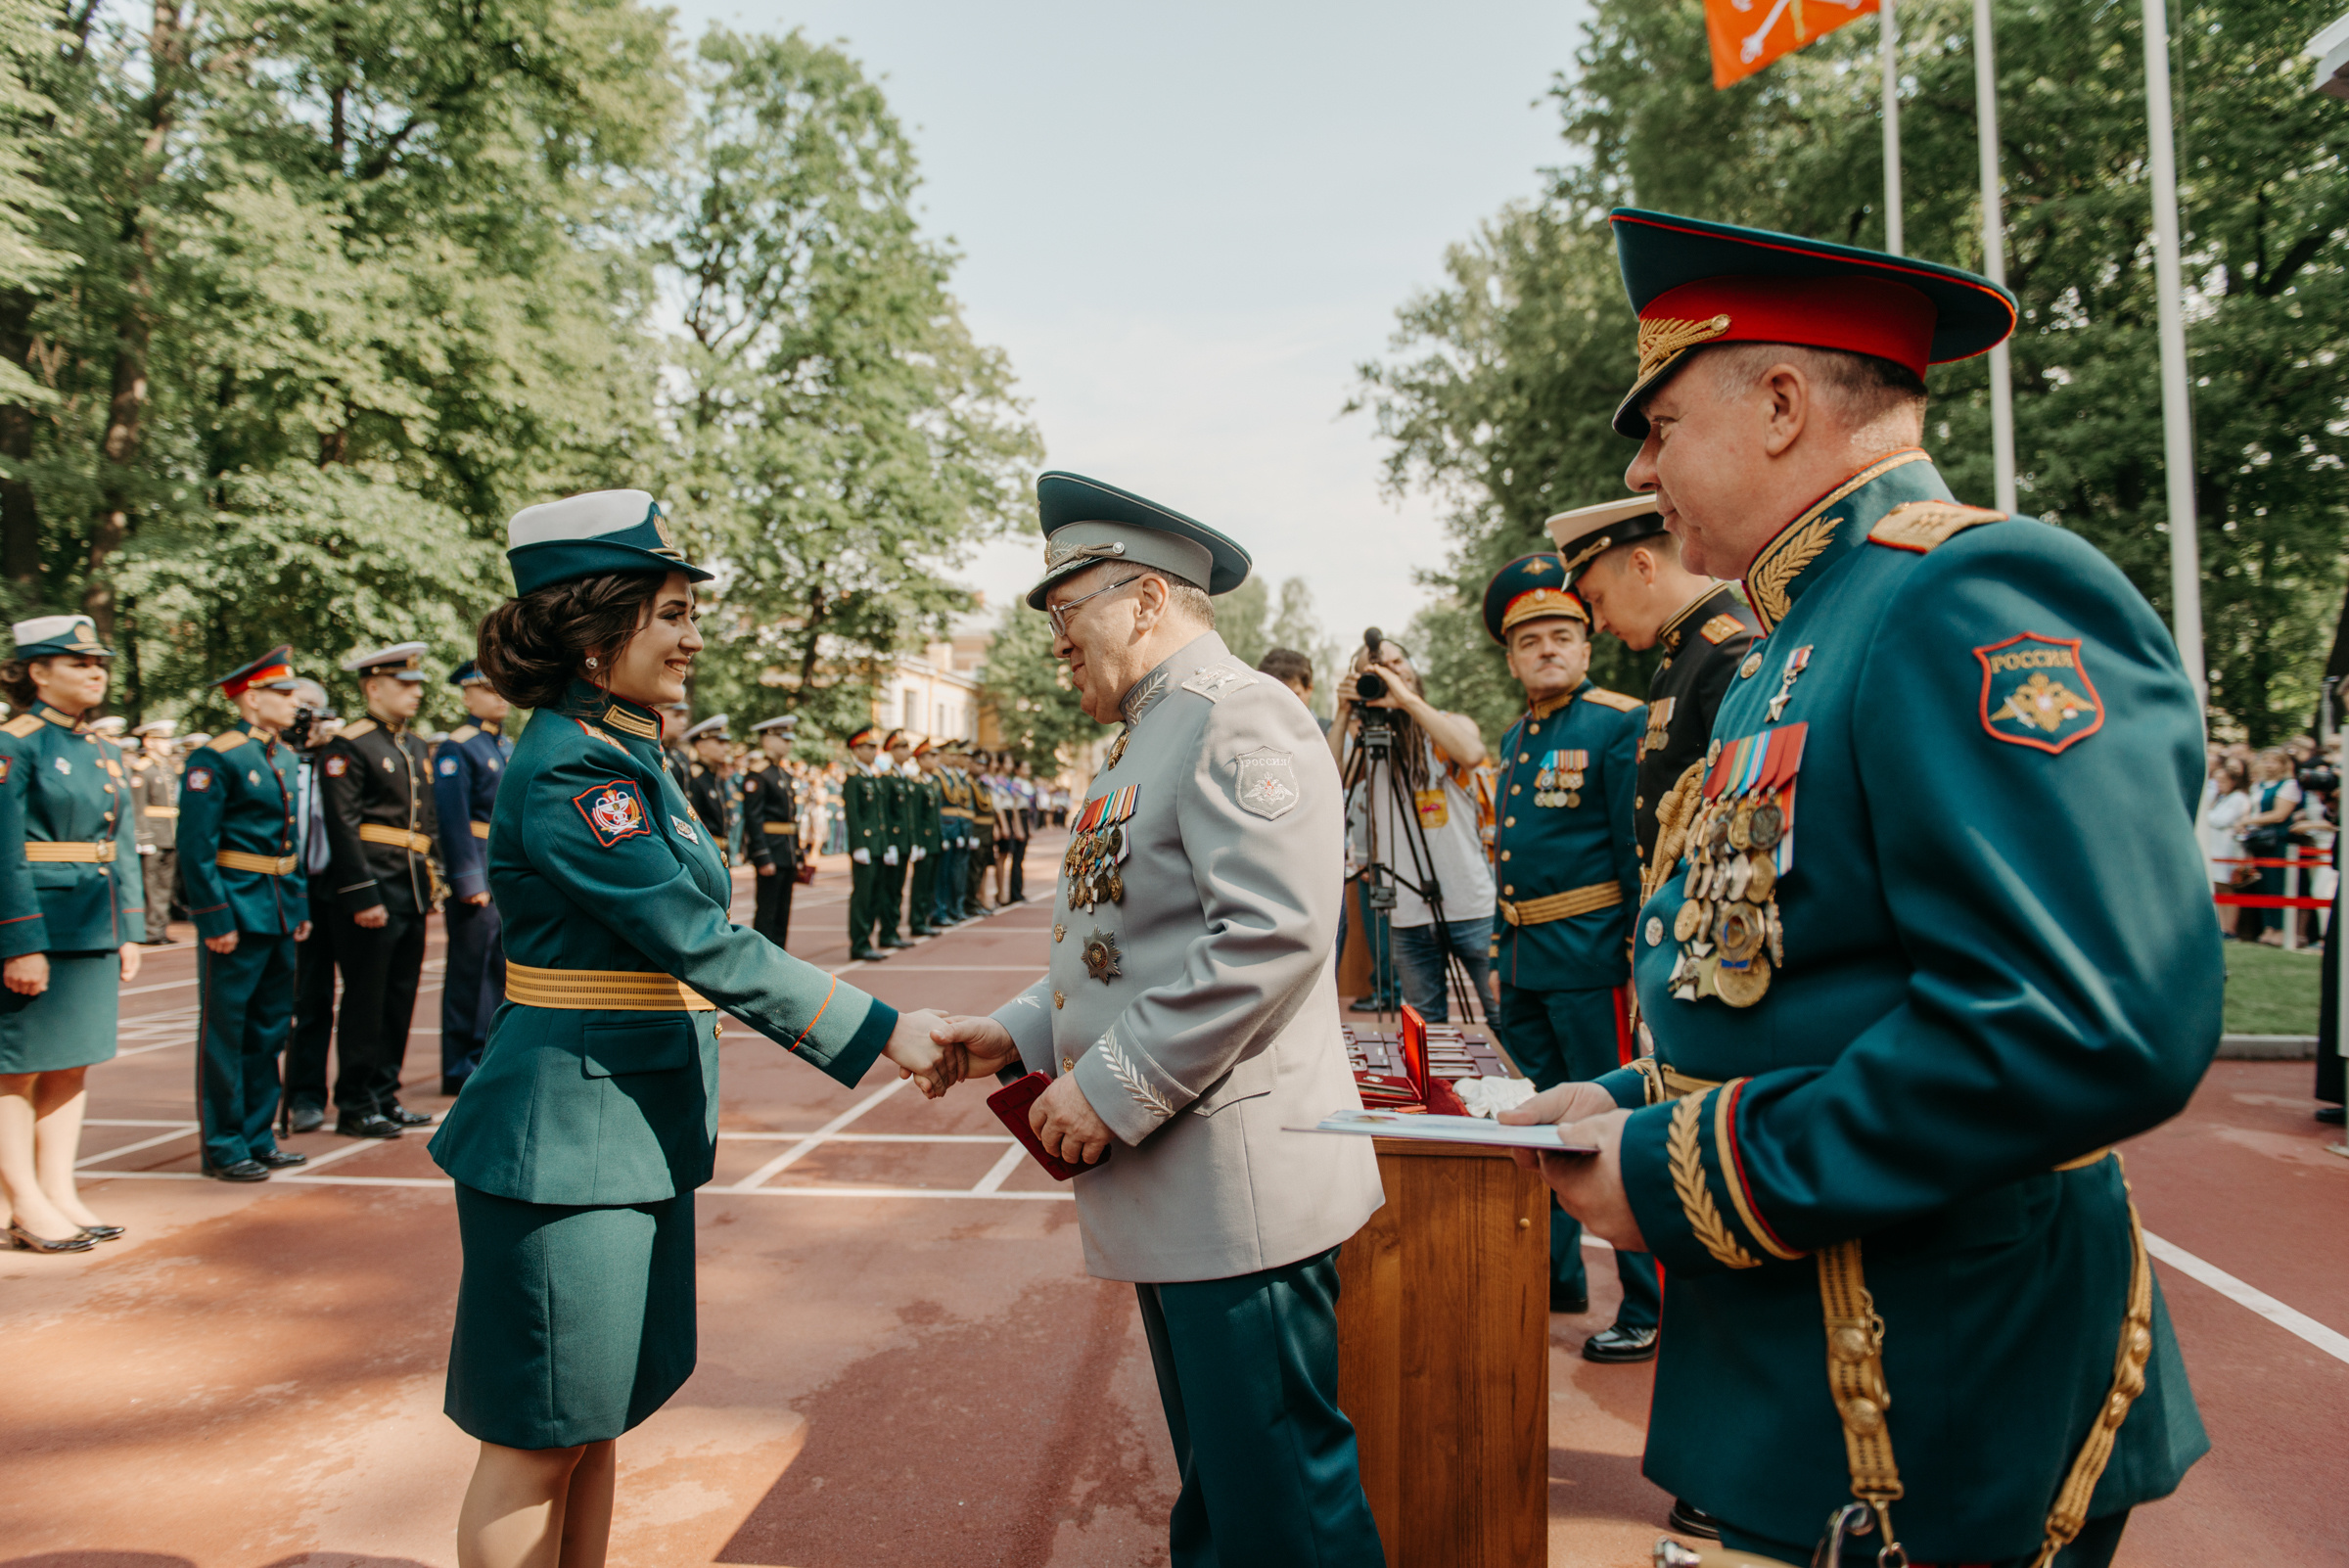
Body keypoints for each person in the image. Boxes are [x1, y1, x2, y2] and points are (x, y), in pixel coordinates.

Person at [1500, 208, 2216, 1568]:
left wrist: (1689, 1162)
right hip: (1834, 1371)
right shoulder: (1800, 635)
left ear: (1778, 404)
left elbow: (2088, 1019)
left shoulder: (1968, 590)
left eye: (1657, 426)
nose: (1647, 472)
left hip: (1945, 1392)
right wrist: (1636, 1096)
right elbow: (1823, 974)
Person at [425, 487, 956, 1568]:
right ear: (589, 630)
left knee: (593, 1419)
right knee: (539, 1439)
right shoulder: (577, 766)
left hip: (625, 1122)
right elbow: (695, 938)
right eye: (668, 612)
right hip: (566, 1135)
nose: (692, 635)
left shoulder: (624, 750)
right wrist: (881, 1029)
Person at [934, 470, 1386, 1568]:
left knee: (1283, 1507)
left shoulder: (1241, 716)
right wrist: (1017, 1036)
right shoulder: (1148, 734)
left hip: (1237, 1187)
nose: (1051, 638)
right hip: (1188, 1182)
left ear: (1144, 600)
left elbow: (1273, 937)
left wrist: (1107, 1083)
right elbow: (1123, 941)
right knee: (1227, 1498)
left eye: (1064, 606)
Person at [1473, 560, 1656, 1354]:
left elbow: (1637, 855)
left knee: (1605, 1126)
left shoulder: (1619, 723)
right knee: (1538, 1130)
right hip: (1524, 963)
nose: (1547, 651)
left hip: (1589, 965)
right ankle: (1558, 1277)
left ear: (1587, 647)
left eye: (1561, 636)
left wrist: (1638, 962)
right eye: (1529, 641)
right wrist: (1496, 948)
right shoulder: (1517, 738)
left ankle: (1645, 1308)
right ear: (1511, 659)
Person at [0, 615, 145, 1250]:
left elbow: (123, 845)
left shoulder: (104, 750)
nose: (96, 673)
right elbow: (4, 851)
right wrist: (19, 940)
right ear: (37, 671)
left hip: (92, 921)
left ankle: (58, 1189)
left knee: (72, 1062)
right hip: (40, 925)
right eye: (79, 662)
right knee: (16, 1068)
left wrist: (132, 927)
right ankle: (24, 1200)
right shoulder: (16, 743)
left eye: (100, 663)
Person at [175, 646, 314, 1182]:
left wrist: (297, 902)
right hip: (236, 909)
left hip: (277, 910)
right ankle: (225, 1142)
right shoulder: (218, 757)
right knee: (226, 1034)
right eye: (283, 694)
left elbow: (290, 838)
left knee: (269, 1029)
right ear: (251, 697)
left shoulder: (280, 756)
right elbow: (196, 847)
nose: (294, 702)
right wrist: (214, 917)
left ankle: (259, 1135)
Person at [1329, 640, 1495, 1024]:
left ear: (1413, 668)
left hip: (1471, 904)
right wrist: (1341, 715)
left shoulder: (1451, 724)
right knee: (1426, 1030)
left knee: (1503, 1018)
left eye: (1396, 662)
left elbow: (1470, 753)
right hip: (1406, 916)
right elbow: (1325, 781)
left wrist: (1405, 701)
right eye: (1375, 669)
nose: (1389, 672)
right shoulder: (1366, 744)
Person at [317, 642, 439, 1138]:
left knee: (399, 997)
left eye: (417, 685)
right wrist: (361, 893)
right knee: (366, 999)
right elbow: (342, 827)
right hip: (373, 885)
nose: (415, 694)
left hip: (409, 885)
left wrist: (435, 878)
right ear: (373, 687)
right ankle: (353, 1100)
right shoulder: (350, 745)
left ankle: (385, 1093)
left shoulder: (414, 746)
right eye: (403, 685)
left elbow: (425, 821)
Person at [435, 660, 513, 1094]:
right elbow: (452, 819)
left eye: (501, 685)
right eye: (486, 688)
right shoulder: (457, 747)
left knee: (503, 967)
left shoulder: (507, 747)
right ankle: (460, 1062)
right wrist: (468, 879)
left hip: (504, 867)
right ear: (466, 696)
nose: (498, 694)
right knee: (471, 971)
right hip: (479, 867)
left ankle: (491, 1054)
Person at [741, 715, 800, 949]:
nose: (789, 743)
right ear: (768, 739)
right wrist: (762, 854)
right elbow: (754, 818)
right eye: (783, 738)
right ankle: (761, 959)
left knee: (783, 911)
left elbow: (791, 819)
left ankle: (780, 956)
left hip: (786, 851)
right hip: (771, 851)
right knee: (767, 910)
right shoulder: (759, 773)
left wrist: (798, 853)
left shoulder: (782, 773)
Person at [2236, 748, 2302, 945]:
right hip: (2259, 841)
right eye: (2266, 761)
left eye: (2274, 761)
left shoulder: (2288, 785)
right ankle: (2268, 927)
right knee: (2263, 885)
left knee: (2277, 885)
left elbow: (2280, 814)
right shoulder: (2260, 786)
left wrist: (2249, 821)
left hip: (2277, 841)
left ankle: (2281, 929)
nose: (2269, 765)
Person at [841, 726, 891, 962]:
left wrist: (887, 844)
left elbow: (881, 815)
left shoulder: (873, 776)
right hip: (865, 846)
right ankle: (859, 943)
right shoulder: (854, 777)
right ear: (856, 750)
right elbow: (854, 813)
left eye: (874, 748)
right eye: (868, 748)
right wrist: (859, 844)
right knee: (863, 896)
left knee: (875, 895)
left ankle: (867, 939)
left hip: (878, 844)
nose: (873, 752)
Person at [128, 718, 180, 943]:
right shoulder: (143, 770)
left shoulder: (167, 769)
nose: (168, 743)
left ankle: (159, 928)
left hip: (169, 835)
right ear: (149, 742)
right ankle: (148, 930)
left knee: (165, 886)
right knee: (150, 885)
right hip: (153, 835)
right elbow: (138, 807)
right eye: (163, 739)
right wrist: (143, 836)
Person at [875, 730, 915, 946]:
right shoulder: (888, 779)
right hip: (893, 843)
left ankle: (894, 931)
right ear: (891, 750)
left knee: (897, 890)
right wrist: (888, 842)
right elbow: (886, 815)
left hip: (904, 842)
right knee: (889, 890)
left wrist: (913, 840)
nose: (907, 751)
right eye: (901, 747)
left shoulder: (904, 779)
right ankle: (887, 933)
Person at [680, 715, 733, 869]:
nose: (726, 748)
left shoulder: (715, 778)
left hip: (719, 851)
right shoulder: (693, 778)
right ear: (701, 746)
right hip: (703, 854)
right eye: (720, 742)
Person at [2203, 756, 2253, 917]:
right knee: (2216, 887)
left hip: (2226, 848)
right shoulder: (2219, 798)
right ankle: (2220, 923)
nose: (2219, 785)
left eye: (2222, 781)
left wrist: (2206, 815)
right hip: (2214, 846)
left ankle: (2229, 926)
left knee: (2226, 888)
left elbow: (2220, 820)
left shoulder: (2239, 798)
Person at [903, 735, 942, 937]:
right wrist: (916, 843)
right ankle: (917, 922)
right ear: (921, 759)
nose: (936, 760)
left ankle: (925, 918)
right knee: (920, 884)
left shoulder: (932, 782)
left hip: (934, 841)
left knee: (929, 884)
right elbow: (915, 817)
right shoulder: (917, 784)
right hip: (924, 842)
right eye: (931, 756)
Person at [1258, 647, 1330, 735]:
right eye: (1276, 697)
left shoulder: (1331, 734)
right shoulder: (1257, 734)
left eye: (1294, 696)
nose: (1286, 704)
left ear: (1309, 688)